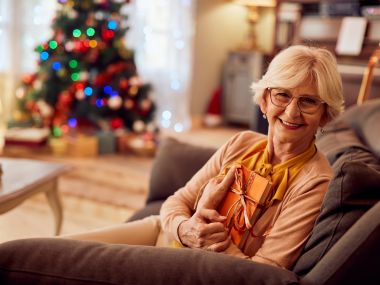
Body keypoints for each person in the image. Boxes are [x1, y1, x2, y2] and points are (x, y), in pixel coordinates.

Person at [63, 45, 344, 270]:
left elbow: (267, 271)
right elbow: (178, 201)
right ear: (265, 100)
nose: (292, 112)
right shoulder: (242, 142)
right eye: (282, 95)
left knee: (60, 266)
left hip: (191, 266)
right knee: (56, 249)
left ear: (324, 114)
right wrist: (186, 228)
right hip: (164, 232)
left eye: (308, 101)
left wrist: (214, 243)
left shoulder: (315, 181)